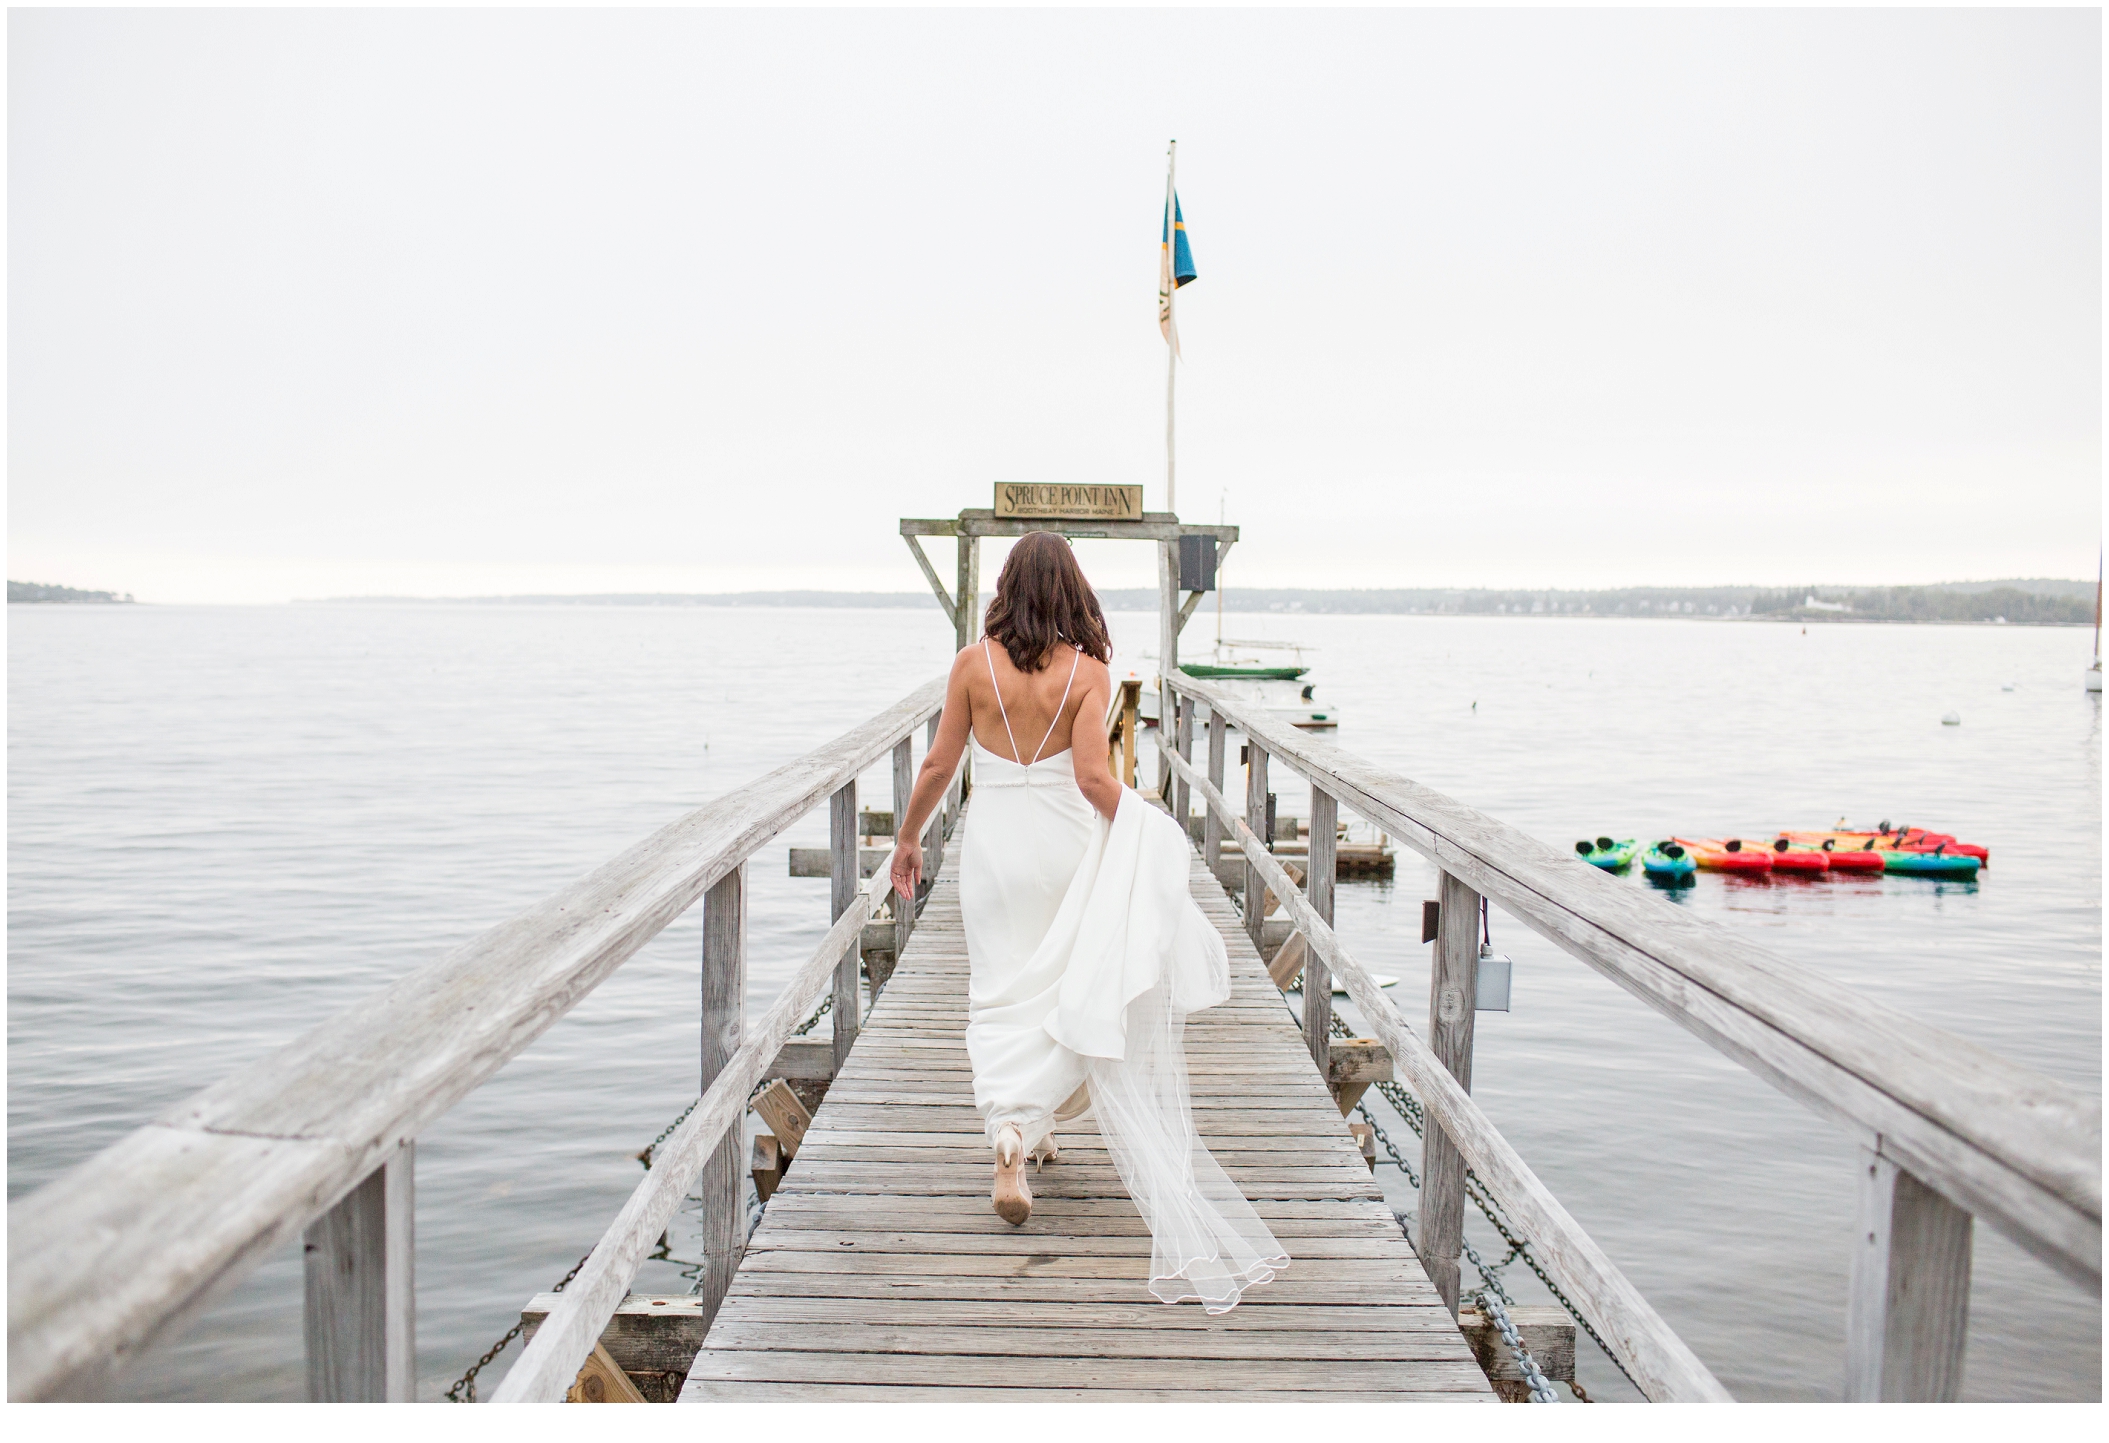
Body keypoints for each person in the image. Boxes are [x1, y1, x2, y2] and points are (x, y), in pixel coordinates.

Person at [887, 531, 1286, 1313]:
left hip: (994, 850)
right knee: (1065, 983)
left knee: (1000, 987)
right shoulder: (1088, 673)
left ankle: (1012, 1133)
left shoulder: (972, 665)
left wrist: (907, 838)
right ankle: (1031, 1126)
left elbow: (937, 764)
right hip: (1065, 847)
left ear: (1005, 586)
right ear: (1072, 591)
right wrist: (1151, 829)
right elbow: (1094, 780)